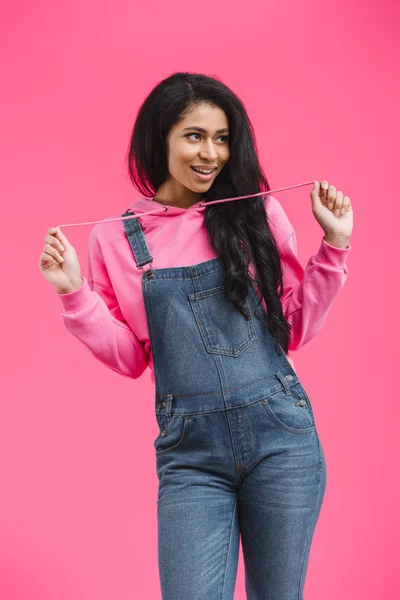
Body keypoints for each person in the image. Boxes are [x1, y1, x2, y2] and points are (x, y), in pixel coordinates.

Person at [39, 72, 353, 600]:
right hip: (191, 455)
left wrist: (335, 245)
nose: (211, 153)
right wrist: (74, 293)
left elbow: (293, 328)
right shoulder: (115, 240)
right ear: (158, 138)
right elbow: (132, 358)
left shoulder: (258, 214)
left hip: (282, 439)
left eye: (222, 138)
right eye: (194, 136)